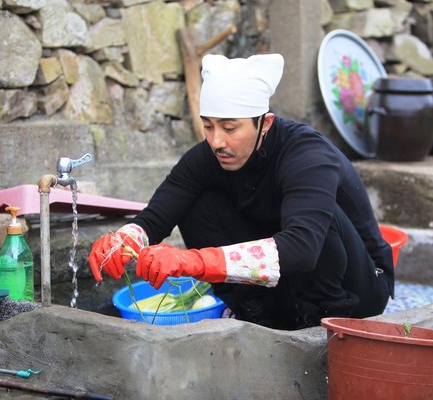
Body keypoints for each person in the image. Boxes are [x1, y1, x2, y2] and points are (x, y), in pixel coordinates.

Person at [88, 53, 394, 330]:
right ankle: (258, 314)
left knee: (316, 220)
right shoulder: (208, 156)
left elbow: (302, 249)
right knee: (197, 203)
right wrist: (125, 239)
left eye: (229, 128)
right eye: (208, 126)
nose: (217, 141)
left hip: (359, 289)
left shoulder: (307, 156)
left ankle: (320, 322)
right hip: (287, 284)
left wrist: (193, 261)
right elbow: (155, 218)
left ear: (265, 123)